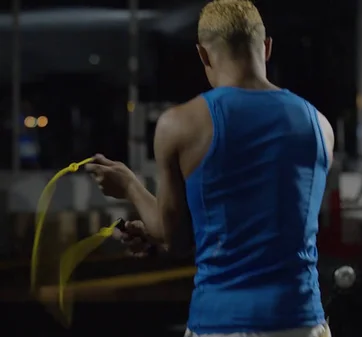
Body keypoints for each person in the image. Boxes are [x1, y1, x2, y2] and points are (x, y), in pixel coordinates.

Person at [84, 0, 334, 336]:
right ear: (267, 47)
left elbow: (176, 239)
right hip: (303, 321)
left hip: (221, 323)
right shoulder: (319, 125)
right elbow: (269, 220)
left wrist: (129, 186)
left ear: (203, 55)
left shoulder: (180, 124)